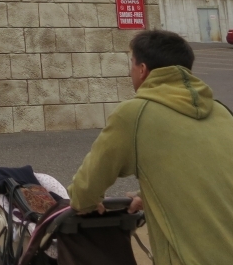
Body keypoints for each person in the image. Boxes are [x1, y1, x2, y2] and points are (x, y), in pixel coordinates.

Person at [69, 29, 233, 265]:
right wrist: (146, 195)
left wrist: (83, 200)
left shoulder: (134, 115)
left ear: (142, 70)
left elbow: (84, 193)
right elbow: (206, 174)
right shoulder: (222, 113)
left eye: (132, 64)